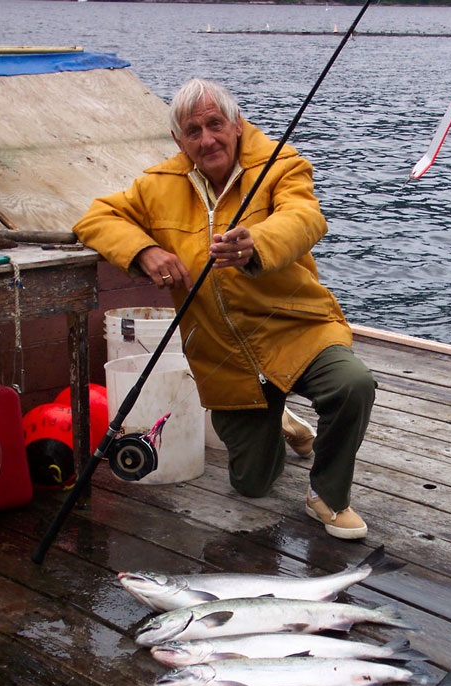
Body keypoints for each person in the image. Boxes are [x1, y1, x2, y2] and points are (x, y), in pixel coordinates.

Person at [73, 78, 376, 539]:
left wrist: (257, 244)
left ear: (236, 124)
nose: (207, 139)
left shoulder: (281, 165)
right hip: (223, 354)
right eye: (193, 131)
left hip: (296, 327)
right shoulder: (158, 185)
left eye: (215, 124)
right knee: (251, 484)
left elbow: (305, 217)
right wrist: (144, 252)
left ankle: (328, 496)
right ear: (179, 140)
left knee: (353, 385)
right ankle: (283, 421)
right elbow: (95, 218)